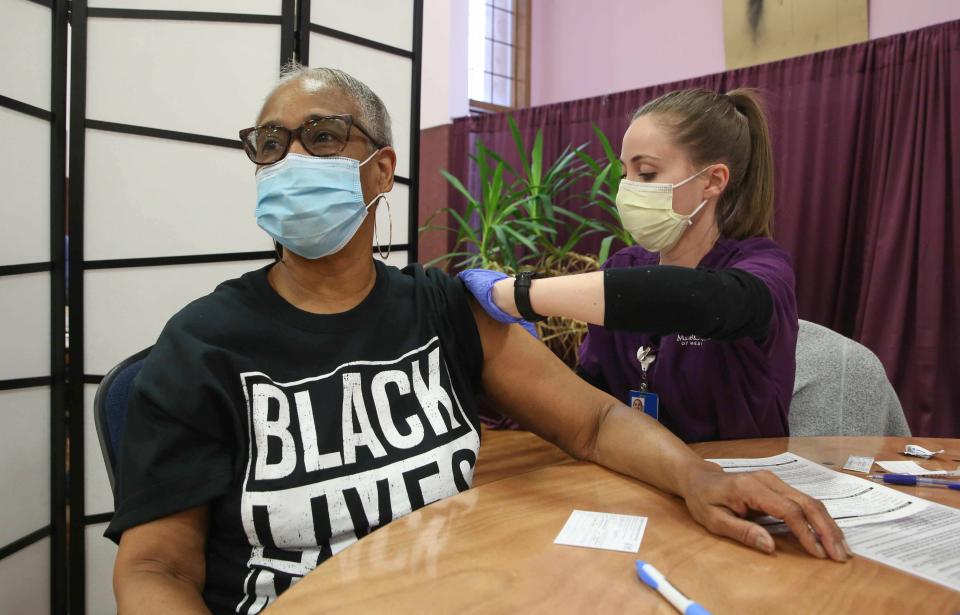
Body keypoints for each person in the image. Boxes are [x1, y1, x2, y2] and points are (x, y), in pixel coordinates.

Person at [107, 68, 848, 615]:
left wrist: (698, 479)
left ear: (382, 170)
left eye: (322, 136)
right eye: (271, 144)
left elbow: (591, 420)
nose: (292, 159)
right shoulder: (203, 345)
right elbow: (157, 570)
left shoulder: (441, 307)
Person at [461, 88, 797, 443]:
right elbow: (589, 397)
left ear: (713, 181)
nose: (628, 189)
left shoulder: (763, 269)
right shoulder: (624, 265)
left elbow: (697, 299)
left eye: (647, 173)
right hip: (638, 479)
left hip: (738, 479)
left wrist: (521, 294)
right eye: (625, 173)